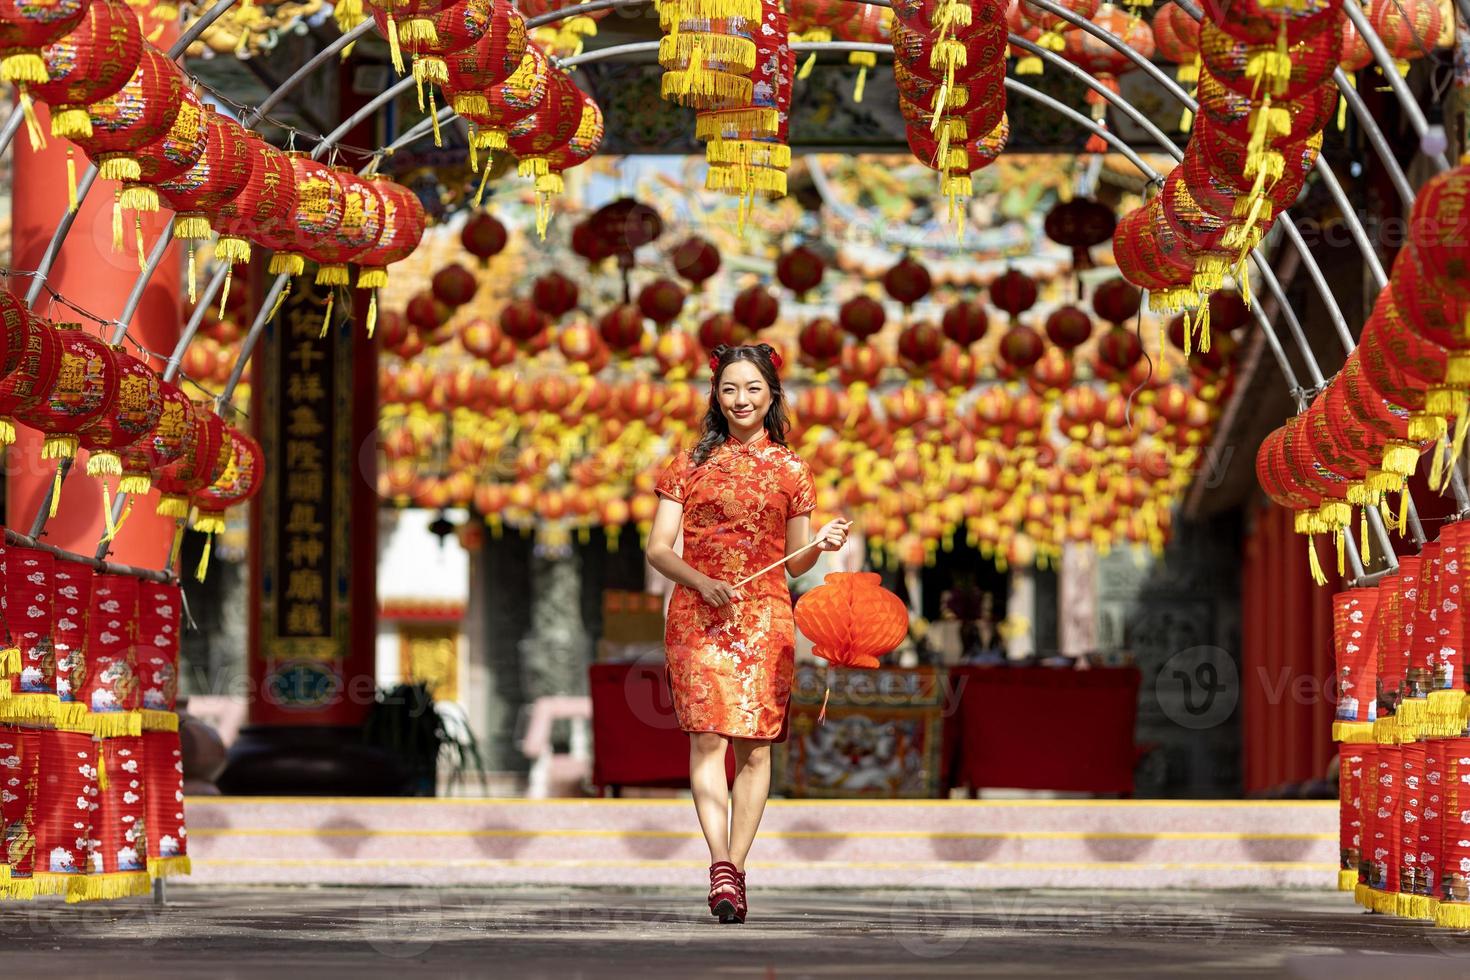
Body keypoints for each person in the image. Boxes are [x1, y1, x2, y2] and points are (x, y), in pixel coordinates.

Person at [645, 343, 850, 924]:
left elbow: (795, 564)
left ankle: (736, 863)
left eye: (753, 389)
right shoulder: (686, 465)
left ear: (771, 395)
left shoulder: (792, 470)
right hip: (698, 614)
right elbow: (659, 549)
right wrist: (701, 581)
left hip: (763, 617)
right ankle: (720, 866)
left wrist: (822, 545)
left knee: (755, 745)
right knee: (707, 738)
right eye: (731, 388)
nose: (742, 399)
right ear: (715, 394)